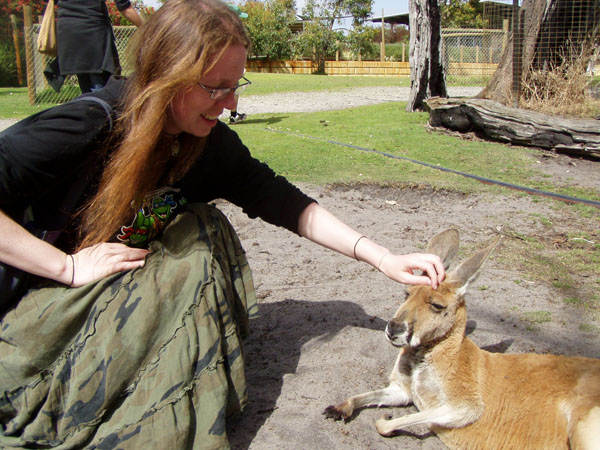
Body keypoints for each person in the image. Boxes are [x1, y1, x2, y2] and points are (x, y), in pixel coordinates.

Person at [0, 0, 445, 448]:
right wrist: (64, 267)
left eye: (236, 87)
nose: (230, 104)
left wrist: (382, 258)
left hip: (105, 292)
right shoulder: (93, 122)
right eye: (216, 88)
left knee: (201, 227)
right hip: (38, 301)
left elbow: (283, 202)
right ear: (169, 75)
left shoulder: (205, 143)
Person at [56, 0, 143, 93]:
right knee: (102, 87)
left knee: (86, 87)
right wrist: (147, 27)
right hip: (93, 33)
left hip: (69, 33)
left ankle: (90, 100)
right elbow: (126, 8)